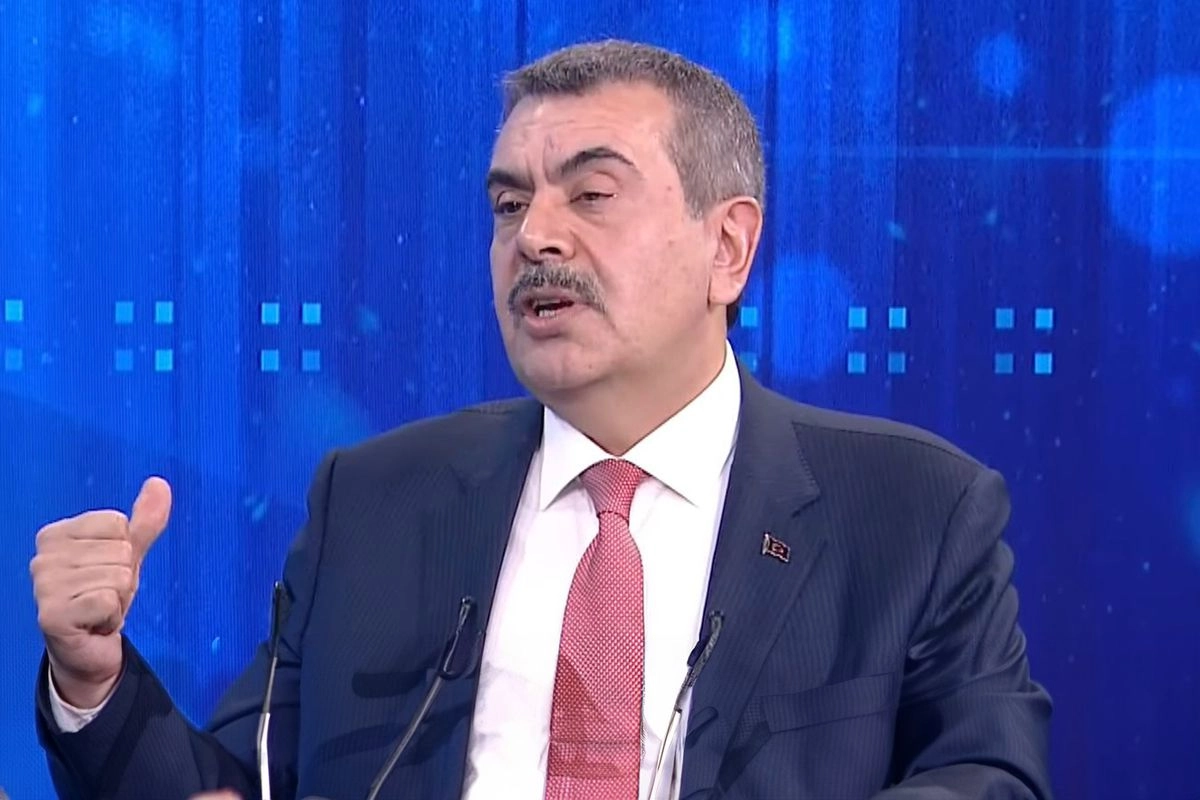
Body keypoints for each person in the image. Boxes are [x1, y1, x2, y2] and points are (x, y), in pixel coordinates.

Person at [30, 39, 1052, 800]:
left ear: (728, 249)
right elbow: (238, 785)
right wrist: (94, 678)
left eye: (590, 195)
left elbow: (989, 776)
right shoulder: (375, 500)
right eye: (510, 204)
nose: (536, 237)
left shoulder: (911, 509)